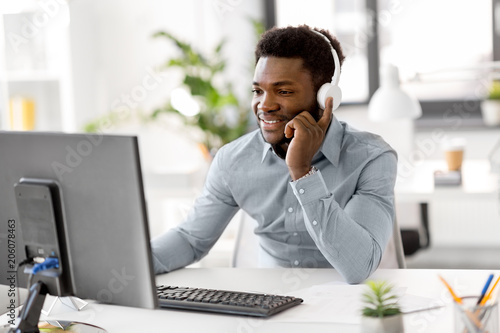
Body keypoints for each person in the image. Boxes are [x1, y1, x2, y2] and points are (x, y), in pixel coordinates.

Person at [151, 24, 397, 284]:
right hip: (268, 307)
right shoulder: (233, 160)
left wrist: (302, 171)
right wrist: (125, 268)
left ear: (327, 98)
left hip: (345, 304)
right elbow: (190, 240)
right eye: (257, 91)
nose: (264, 106)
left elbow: (358, 268)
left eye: (284, 91)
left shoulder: (372, 158)